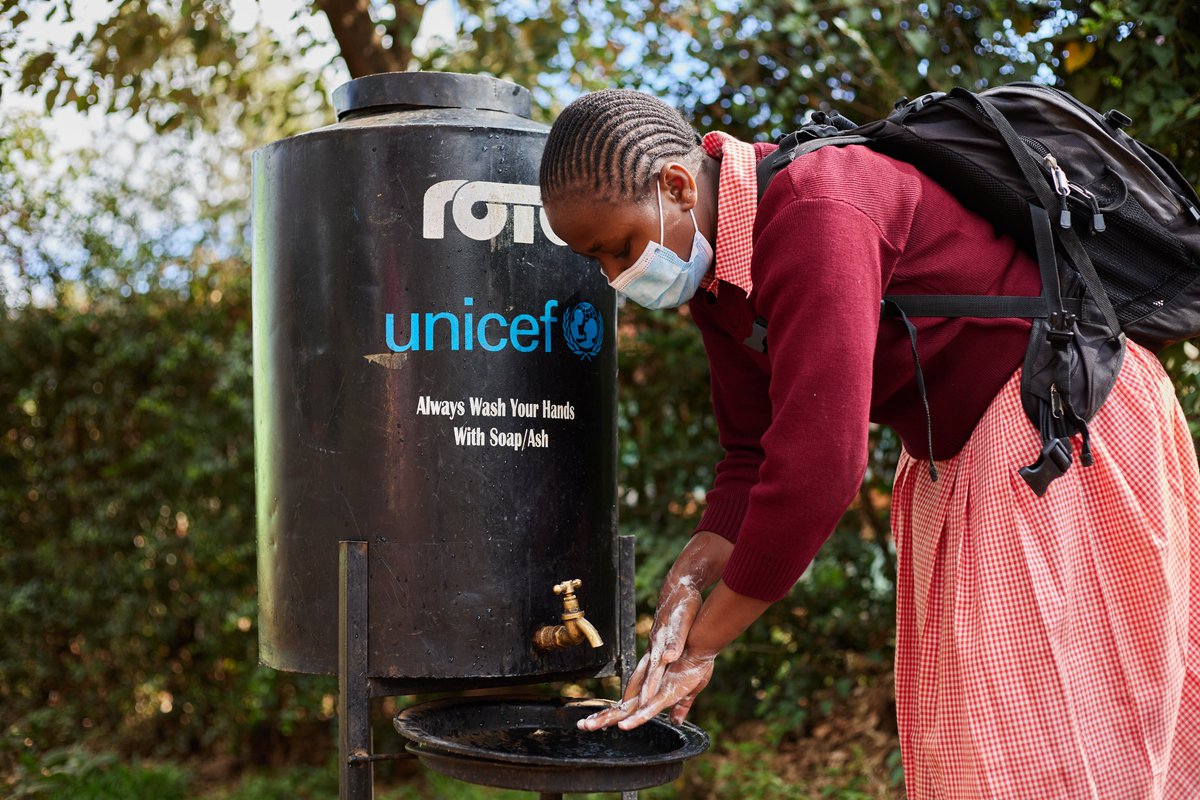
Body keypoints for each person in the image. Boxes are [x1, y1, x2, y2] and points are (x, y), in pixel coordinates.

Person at [538, 88, 1200, 798]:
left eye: (618, 248)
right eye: (596, 260)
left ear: (674, 186)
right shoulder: (722, 281)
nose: (614, 276)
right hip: (969, 458)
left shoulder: (816, 207)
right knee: (975, 750)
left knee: (1056, 744)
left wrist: (701, 646)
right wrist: (692, 577)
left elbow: (819, 471)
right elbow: (750, 454)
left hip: (1057, 426)